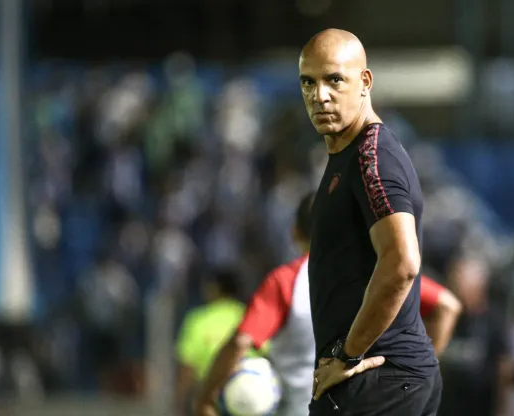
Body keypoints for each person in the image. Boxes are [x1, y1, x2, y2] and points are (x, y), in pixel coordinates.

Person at [195, 192, 461, 416]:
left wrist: (205, 398)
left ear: (295, 233)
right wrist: (413, 372)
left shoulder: (287, 281)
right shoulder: (375, 274)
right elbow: (447, 306)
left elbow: (241, 342)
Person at [299, 28, 440, 416]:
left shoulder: (372, 157)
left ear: (365, 82)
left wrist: (347, 354)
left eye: (334, 79)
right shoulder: (351, 155)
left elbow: (402, 265)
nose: (319, 95)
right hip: (386, 378)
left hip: (376, 376)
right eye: (308, 82)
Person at [175, 269, 258, 415]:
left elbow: (187, 366)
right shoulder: (249, 315)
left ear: (215, 289)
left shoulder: (198, 320)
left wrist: (178, 404)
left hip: (209, 398)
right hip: (247, 396)